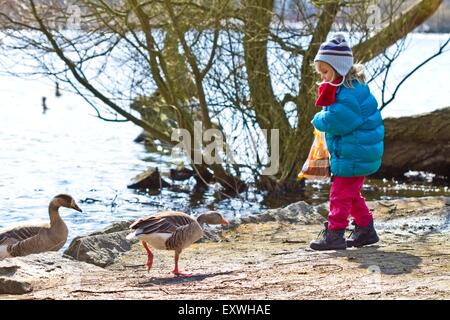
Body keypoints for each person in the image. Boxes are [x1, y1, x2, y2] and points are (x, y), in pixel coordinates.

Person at [309, 34, 384, 251]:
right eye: (320, 73)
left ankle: (334, 234)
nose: (322, 77)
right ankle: (365, 229)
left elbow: (339, 120)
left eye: (325, 72)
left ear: (339, 69)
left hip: (355, 154)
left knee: (339, 195)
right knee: (349, 194)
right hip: (355, 152)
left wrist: (318, 119)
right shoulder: (346, 88)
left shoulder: (348, 92)